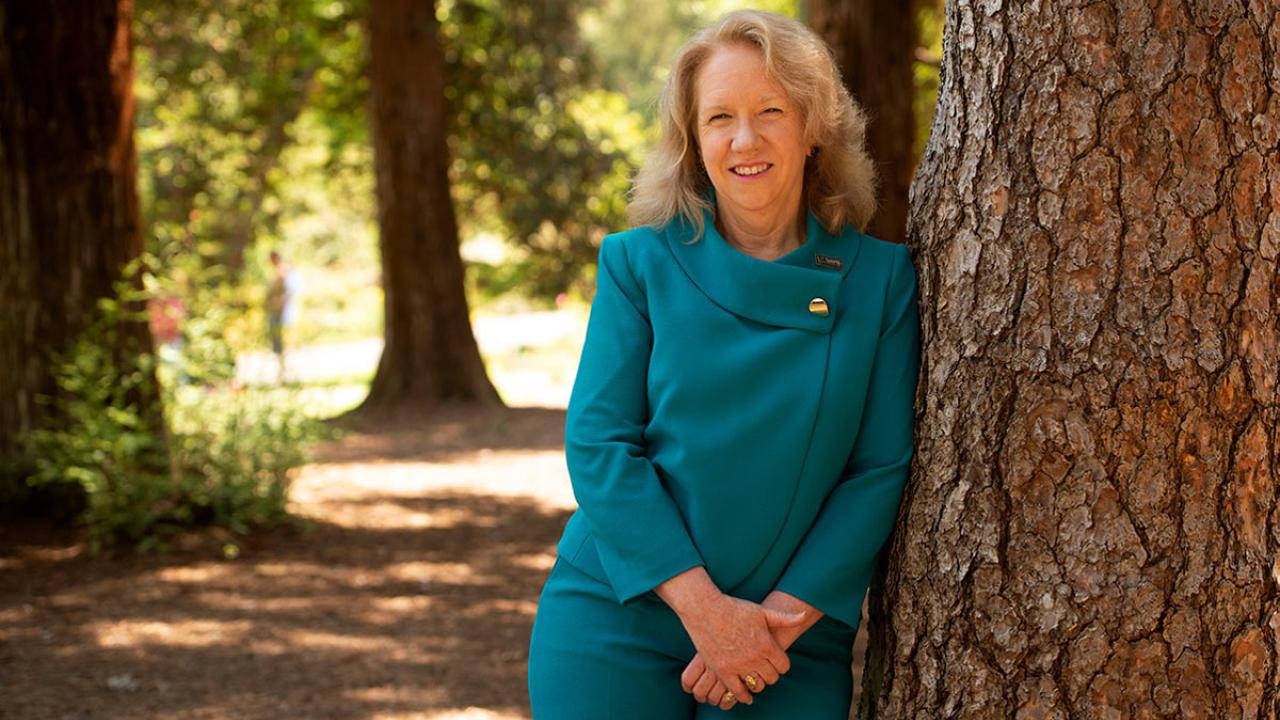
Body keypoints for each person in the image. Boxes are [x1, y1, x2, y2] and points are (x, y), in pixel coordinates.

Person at [527, 9, 921, 719]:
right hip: (621, 613)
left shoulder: (882, 280)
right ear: (693, 141)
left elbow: (879, 467)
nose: (745, 139)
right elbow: (599, 444)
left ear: (813, 129)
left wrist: (776, 621)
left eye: (770, 111)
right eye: (719, 118)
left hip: (787, 638)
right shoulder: (637, 263)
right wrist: (706, 612)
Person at [265, 250, 301, 383]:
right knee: (278, 345)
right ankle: (282, 374)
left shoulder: (286, 273)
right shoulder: (275, 274)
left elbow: (291, 293)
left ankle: (287, 374)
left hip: (283, 315)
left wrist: (281, 304)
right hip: (275, 315)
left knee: (285, 345)